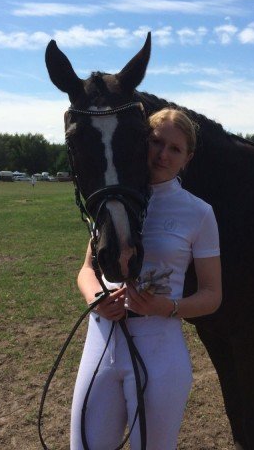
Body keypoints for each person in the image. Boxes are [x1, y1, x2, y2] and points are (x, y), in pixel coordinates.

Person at [70, 108, 222, 449]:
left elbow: (213, 295)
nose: (162, 154)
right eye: (156, 142)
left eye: (175, 149)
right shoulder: (114, 198)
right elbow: (86, 270)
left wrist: (165, 306)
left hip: (160, 352)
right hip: (102, 342)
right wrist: (95, 297)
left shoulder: (198, 213)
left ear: (188, 158)